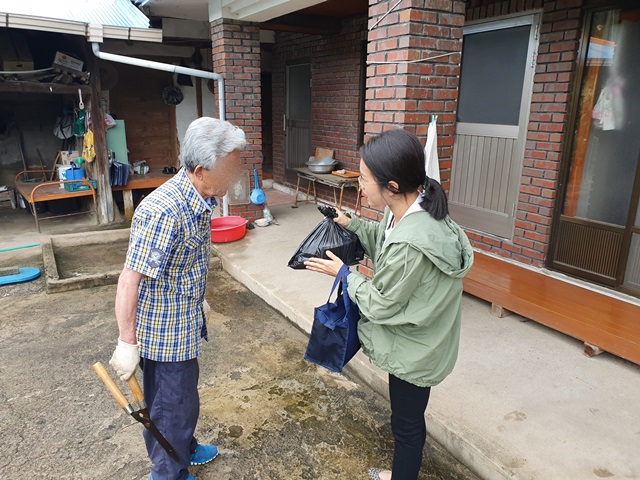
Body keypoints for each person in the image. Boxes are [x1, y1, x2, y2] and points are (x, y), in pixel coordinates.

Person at [305, 128, 473, 480]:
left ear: (392, 185)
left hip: (417, 348)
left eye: (364, 180)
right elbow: (386, 244)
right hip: (419, 338)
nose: (360, 186)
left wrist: (344, 275)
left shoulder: (413, 240)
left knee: (407, 424)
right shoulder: (411, 209)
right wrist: (351, 223)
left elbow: (380, 304)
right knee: (407, 417)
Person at [109, 117, 247, 480]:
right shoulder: (164, 211)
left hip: (184, 319)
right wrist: (127, 341)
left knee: (182, 401)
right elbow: (130, 278)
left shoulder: (201, 195)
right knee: (171, 407)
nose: (239, 170)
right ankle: (169, 471)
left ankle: (183, 447)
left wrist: (195, 296)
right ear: (201, 170)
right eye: (233, 164)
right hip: (165, 333)